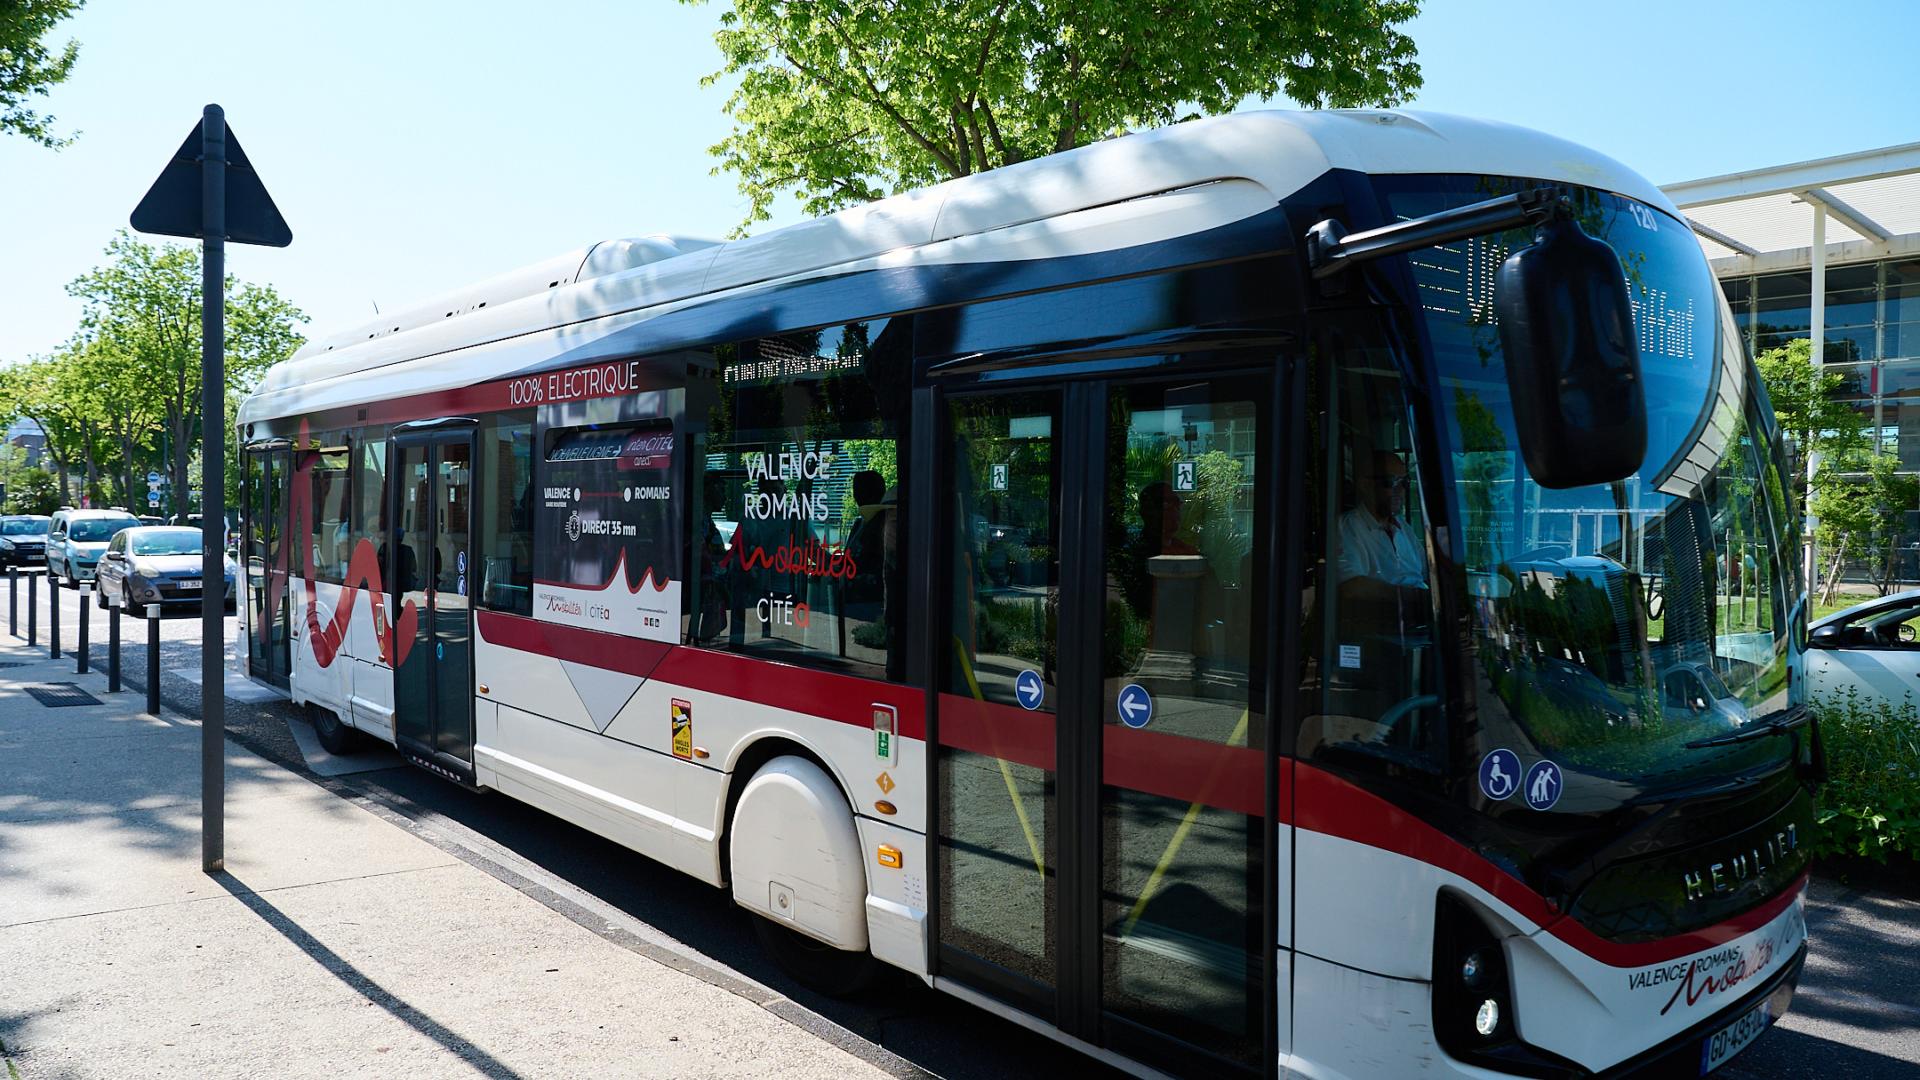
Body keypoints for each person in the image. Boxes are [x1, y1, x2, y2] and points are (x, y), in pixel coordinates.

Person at [1336, 451, 1426, 594]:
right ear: (1365, 485)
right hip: (1387, 612)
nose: (1400, 490)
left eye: (1404, 482)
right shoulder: (1347, 527)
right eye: (1390, 482)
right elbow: (1351, 585)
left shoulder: (1403, 526)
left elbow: (1427, 569)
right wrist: (1415, 599)